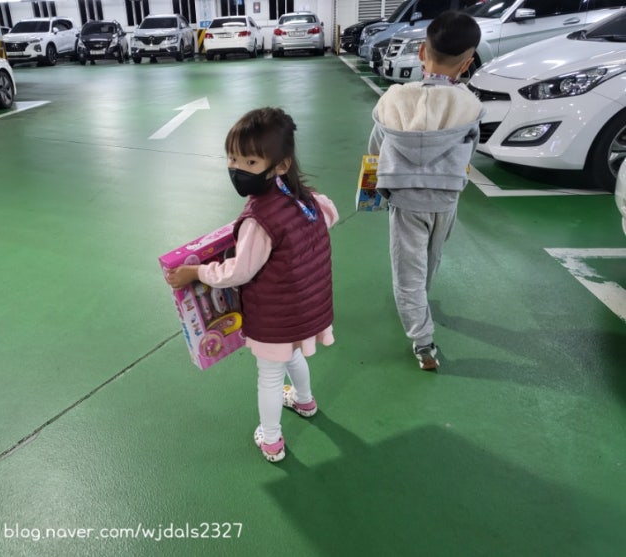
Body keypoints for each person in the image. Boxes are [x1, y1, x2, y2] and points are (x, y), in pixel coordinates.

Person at [165, 107, 339, 462]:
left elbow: (238, 272)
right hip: (306, 308)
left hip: (275, 317)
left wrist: (196, 272)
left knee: (270, 376)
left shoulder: (259, 220)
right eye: (232, 159)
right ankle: (305, 401)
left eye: (250, 162)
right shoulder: (306, 199)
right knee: (293, 355)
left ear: (280, 165)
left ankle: (271, 440)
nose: (237, 169)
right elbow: (330, 214)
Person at [367, 11, 484, 371]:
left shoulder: (393, 100)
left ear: (421, 52)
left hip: (405, 199)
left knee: (408, 270)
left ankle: (423, 342)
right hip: (446, 198)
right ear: (466, 63)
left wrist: (371, 189)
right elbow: (471, 150)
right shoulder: (469, 106)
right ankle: (421, 302)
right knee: (431, 257)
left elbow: (374, 148)